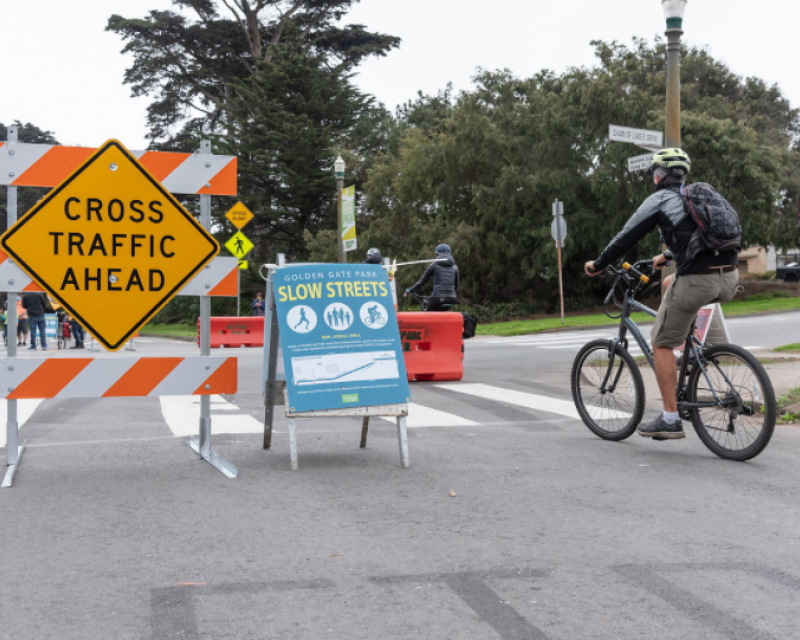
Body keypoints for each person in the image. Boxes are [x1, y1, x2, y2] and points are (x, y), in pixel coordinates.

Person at [584, 148, 738, 440]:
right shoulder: (698, 196)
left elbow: (625, 237)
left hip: (698, 280)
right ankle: (690, 350)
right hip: (729, 278)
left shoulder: (659, 200)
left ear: (658, 175)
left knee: (660, 343)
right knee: (669, 285)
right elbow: (699, 235)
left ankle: (670, 420)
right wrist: (666, 256)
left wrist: (599, 264)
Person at [404, 244, 459, 311]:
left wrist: (410, 290)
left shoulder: (433, 265)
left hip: (437, 297)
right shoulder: (455, 267)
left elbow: (422, 282)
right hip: (451, 299)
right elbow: (456, 286)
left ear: (437, 254)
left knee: (427, 317)